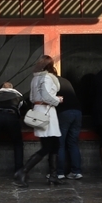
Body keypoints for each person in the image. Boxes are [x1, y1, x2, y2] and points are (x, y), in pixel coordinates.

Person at [14, 56, 63, 184]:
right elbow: (47, 96)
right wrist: (57, 99)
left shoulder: (35, 78)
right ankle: (23, 171)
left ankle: (53, 176)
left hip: (39, 109)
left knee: (53, 144)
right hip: (47, 110)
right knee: (48, 146)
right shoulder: (47, 77)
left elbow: (31, 97)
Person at [0, 81, 25, 179]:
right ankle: (19, 172)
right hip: (12, 117)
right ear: (12, 87)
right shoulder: (19, 96)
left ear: (2, 87)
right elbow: (20, 108)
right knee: (18, 144)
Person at [56, 69, 83, 180]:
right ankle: (76, 172)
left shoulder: (51, 82)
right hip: (77, 112)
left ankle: (59, 172)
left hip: (64, 112)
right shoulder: (65, 81)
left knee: (60, 143)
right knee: (73, 143)